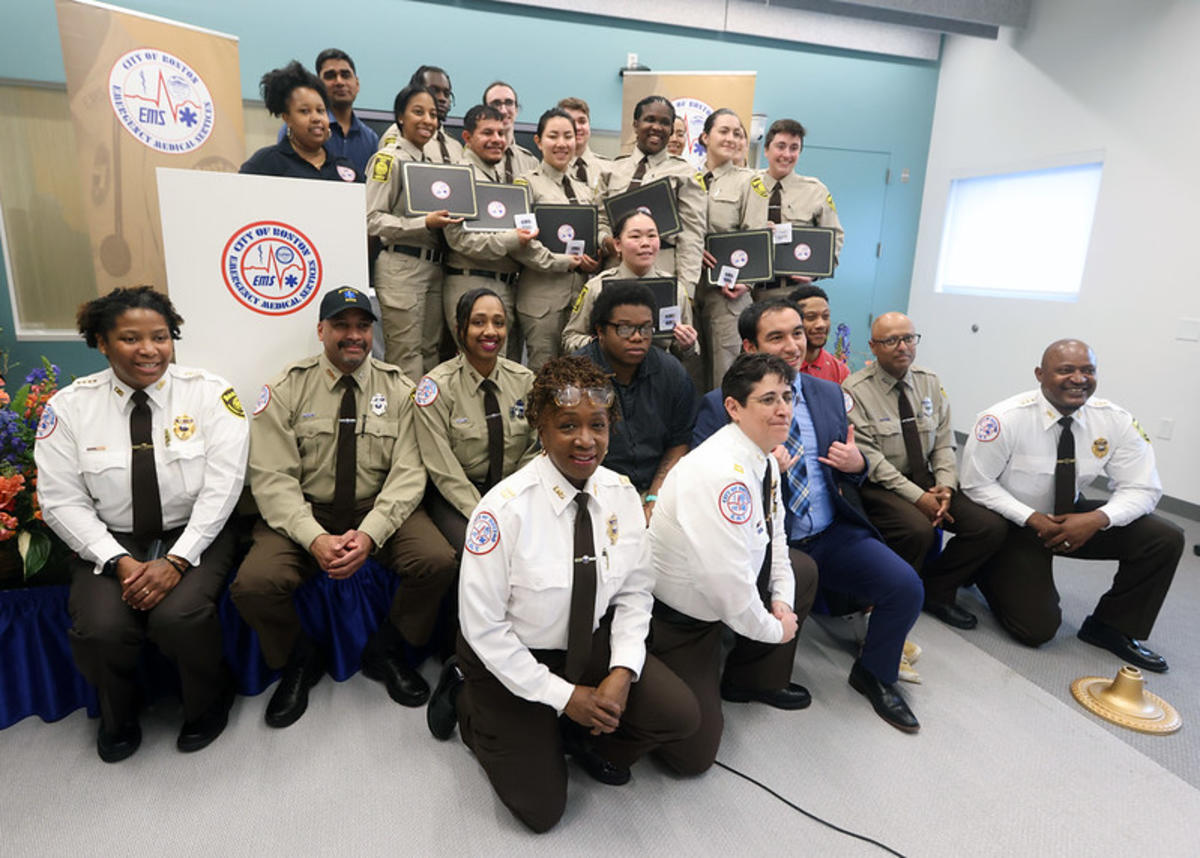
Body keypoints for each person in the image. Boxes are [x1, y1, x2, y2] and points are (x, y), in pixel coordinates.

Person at [424, 356, 700, 832]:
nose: (585, 440)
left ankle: (579, 737)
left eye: (598, 425)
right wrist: (563, 695)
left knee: (679, 718)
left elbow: (635, 592)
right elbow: (484, 629)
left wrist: (621, 670)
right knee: (542, 811)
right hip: (508, 657)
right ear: (541, 428)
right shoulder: (503, 511)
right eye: (567, 425)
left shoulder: (622, 496)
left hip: (583, 644)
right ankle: (469, 703)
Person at [34, 286, 248, 762]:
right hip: (110, 540)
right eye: (131, 338)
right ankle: (120, 714)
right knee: (101, 629)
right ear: (102, 343)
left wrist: (177, 559)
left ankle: (209, 702)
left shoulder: (211, 394)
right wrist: (118, 561)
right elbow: (59, 500)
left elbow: (223, 488)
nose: (149, 350)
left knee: (180, 617)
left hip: (194, 533)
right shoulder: (69, 408)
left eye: (160, 337)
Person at [230, 287, 456, 728]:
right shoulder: (285, 389)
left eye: (362, 326)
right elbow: (273, 479)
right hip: (305, 509)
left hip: (376, 506)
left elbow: (410, 473)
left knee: (437, 560)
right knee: (255, 584)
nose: (353, 336)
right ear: (321, 330)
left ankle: (386, 649)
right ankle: (300, 659)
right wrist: (313, 537)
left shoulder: (400, 389)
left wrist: (371, 532)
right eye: (341, 325)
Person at [693, 299, 923, 732]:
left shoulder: (828, 394)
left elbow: (849, 469)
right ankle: (757, 678)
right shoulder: (722, 404)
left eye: (797, 333)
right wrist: (756, 464)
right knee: (795, 574)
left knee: (906, 587)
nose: (793, 345)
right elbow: (704, 482)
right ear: (749, 347)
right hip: (764, 536)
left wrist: (860, 464)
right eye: (776, 337)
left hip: (828, 529)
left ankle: (875, 672)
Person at [960, 339, 1183, 670]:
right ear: (1040, 374)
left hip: (1071, 517)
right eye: (1066, 370)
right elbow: (976, 484)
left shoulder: (1114, 420)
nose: (1079, 379)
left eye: (1087, 370)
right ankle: (985, 567)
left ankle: (1111, 627)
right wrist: (1032, 518)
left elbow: (1143, 488)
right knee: (1036, 630)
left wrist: (1097, 519)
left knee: (1165, 537)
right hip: (1014, 523)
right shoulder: (1005, 418)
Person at [650, 353, 813, 774]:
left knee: (803, 571)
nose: (782, 409)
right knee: (692, 757)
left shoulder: (762, 458)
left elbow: (777, 536)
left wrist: (782, 601)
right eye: (767, 400)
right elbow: (726, 586)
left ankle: (750, 679)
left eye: (787, 396)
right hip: (676, 622)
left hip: (719, 600)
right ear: (734, 408)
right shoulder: (722, 473)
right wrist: (773, 629)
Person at [844, 313, 1008, 628]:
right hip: (882, 486)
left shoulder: (928, 381)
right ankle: (892, 598)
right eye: (891, 340)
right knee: (917, 529)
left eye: (908, 338)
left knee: (989, 526)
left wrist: (946, 487)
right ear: (873, 347)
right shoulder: (854, 391)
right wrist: (919, 498)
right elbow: (873, 461)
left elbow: (945, 443)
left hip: (928, 481)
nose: (902, 347)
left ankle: (937, 589)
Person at [444, 104, 581, 363]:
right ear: (467, 137)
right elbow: (459, 238)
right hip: (470, 280)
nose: (496, 139)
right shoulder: (460, 177)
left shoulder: (498, 177)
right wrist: (513, 239)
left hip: (505, 285)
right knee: (478, 366)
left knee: (504, 369)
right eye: (487, 133)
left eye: (501, 133)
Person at [415, 288, 538, 552]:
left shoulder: (525, 381)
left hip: (516, 494)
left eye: (499, 323)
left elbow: (536, 448)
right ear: (460, 329)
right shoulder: (436, 387)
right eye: (478, 322)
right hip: (457, 499)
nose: (490, 331)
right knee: (481, 549)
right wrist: (484, 514)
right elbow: (443, 468)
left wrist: (511, 501)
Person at [572, 282, 696, 520]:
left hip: (659, 489)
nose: (638, 337)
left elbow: (680, 441)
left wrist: (654, 499)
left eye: (646, 328)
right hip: (594, 490)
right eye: (625, 329)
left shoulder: (671, 372)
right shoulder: (577, 375)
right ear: (600, 331)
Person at [365, 84, 459, 381]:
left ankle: (427, 421)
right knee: (405, 355)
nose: (428, 120)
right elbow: (371, 219)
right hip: (400, 268)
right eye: (418, 112)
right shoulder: (388, 159)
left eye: (433, 114)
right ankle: (404, 425)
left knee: (431, 353)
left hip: (434, 268)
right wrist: (423, 223)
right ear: (400, 118)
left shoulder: (431, 165)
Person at [515, 108, 603, 371]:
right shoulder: (525, 184)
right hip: (542, 302)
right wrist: (566, 262)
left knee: (577, 376)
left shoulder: (584, 190)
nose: (562, 143)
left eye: (569, 136)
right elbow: (522, 245)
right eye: (553, 136)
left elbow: (595, 233)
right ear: (539, 141)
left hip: (578, 302)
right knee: (543, 375)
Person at [598, 96, 706, 303]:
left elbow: (692, 237)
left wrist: (686, 291)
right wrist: (606, 241)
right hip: (615, 269)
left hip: (663, 269)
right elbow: (601, 220)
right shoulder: (612, 169)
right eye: (650, 120)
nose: (657, 127)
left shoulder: (685, 174)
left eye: (665, 123)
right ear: (636, 125)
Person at [562, 210, 698, 361]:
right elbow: (570, 338)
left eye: (652, 236)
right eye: (635, 236)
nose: (645, 243)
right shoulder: (597, 287)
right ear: (618, 244)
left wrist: (687, 344)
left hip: (657, 373)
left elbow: (683, 352)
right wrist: (598, 344)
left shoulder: (676, 290)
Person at [744, 119, 842, 302]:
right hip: (746, 292)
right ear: (766, 150)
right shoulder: (746, 185)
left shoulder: (816, 190)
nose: (787, 154)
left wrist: (815, 273)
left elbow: (835, 237)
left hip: (792, 293)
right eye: (780, 146)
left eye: (794, 148)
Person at [696, 108, 754, 390]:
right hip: (690, 289)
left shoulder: (750, 182)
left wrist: (747, 281)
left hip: (728, 294)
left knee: (726, 375)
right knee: (689, 370)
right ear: (705, 136)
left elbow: (756, 239)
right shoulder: (687, 178)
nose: (731, 138)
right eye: (724, 131)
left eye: (737, 133)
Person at [241, 61, 361, 182]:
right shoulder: (266, 163)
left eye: (320, 111)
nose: (316, 118)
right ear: (286, 118)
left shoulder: (345, 167)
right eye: (305, 111)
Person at [275, 49, 378, 175]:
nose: (339, 82)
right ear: (318, 84)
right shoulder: (298, 129)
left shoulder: (370, 138)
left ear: (357, 84)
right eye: (330, 76)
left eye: (345, 75)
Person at [786, 284, 849, 383]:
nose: (821, 325)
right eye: (811, 317)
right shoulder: (780, 367)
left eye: (825, 316)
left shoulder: (839, 371)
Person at [482, 81, 539, 182]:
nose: (503, 110)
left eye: (509, 103)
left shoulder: (531, 163)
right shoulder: (476, 157)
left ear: (516, 109)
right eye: (496, 103)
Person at [557, 96, 610, 190]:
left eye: (582, 121)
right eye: (571, 122)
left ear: (589, 125)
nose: (577, 127)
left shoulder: (609, 168)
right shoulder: (552, 170)